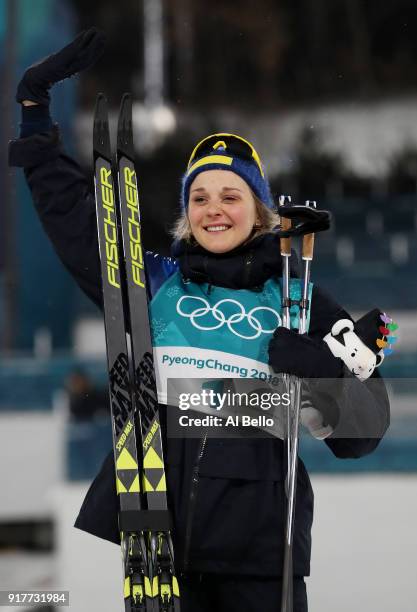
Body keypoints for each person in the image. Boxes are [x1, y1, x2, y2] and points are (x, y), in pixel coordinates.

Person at [9, 29, 390, 612]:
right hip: (164, 552)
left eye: (231, 195)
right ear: (186, 213)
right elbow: (73, 218)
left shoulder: (300, 300)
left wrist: (321, 375)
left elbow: (364, 433)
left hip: (263, 560)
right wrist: (36, 116)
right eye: (200, 197)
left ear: (259, 209)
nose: (215, 209)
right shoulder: (156, 284)